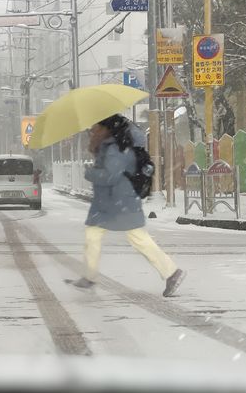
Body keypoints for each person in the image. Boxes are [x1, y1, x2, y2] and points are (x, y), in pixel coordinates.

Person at [67, 114, 185, 297]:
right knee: (95, 236)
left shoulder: (115, 148)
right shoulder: (111, 146)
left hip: (120, 201)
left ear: (105, 129)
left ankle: (172, 272)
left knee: (138, 239)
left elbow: (110, 176)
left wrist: (90, 173)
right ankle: (89, 276)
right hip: (111, 202)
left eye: (95, 127)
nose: (92, 131)